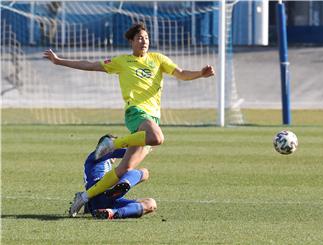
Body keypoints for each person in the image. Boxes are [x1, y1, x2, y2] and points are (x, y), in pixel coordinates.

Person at [43, 23, 215, 217]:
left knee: (125, 167)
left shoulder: (158, 59)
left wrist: (200, 74)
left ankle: (84, 198)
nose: (144, 41)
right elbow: (90, 65)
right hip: (136, 112)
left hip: (152, 118)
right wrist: (59, 61)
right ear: (131, 41)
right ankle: (113, 144)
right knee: (157, 138)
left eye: (147, 38)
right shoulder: (123, 61)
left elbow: (181, 74)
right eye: (140, 38)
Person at [83, 134, 157, 220]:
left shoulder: (102, 166)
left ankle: (112, 213)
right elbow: (129, 153)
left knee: (151, 204)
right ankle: (125, 183)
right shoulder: (95, 156)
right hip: (100, 194)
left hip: (106, 203)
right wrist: (146, 146)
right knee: (144, 172)